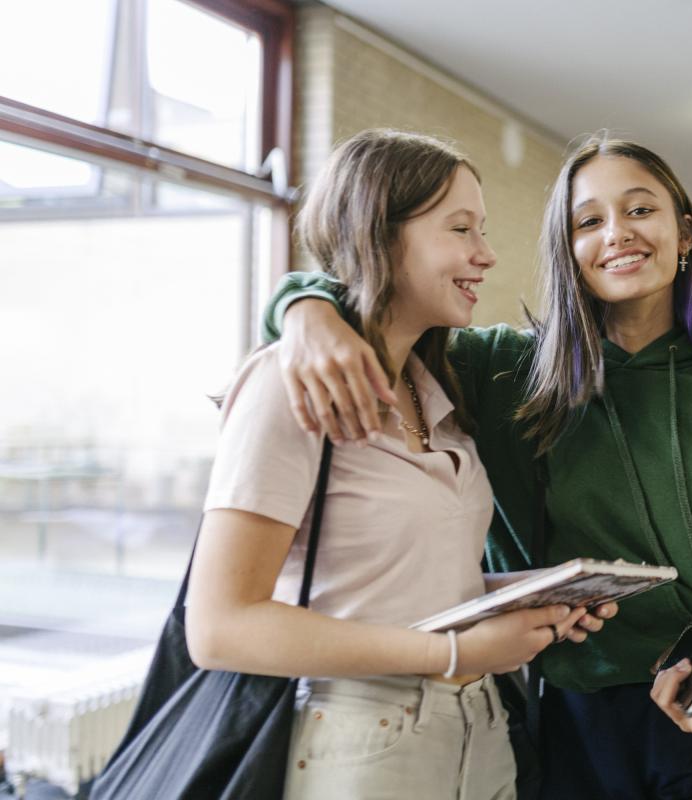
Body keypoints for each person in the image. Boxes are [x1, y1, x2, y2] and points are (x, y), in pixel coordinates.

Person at [264, 134, 692, 799]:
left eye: (640, 211)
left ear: (684, 233)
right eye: (589, 221)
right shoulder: (501, 373)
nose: (617, 235)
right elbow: (372, 304)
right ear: (565, 249)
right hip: (551, 714)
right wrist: (302, 306)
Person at [187, 129, 605, 800]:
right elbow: (219, 627)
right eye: (460, 228)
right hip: (356, 739)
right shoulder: (287, 384)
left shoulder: (435, 388)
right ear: (380, 235)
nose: (486, 254)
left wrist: (529, 597)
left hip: (477, 732)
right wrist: (454, 654)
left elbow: (401, 586)